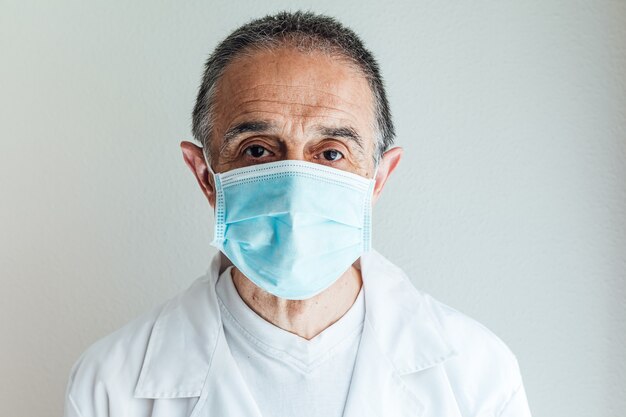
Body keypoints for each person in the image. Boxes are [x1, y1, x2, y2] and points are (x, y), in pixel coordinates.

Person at [64, 10, 532, 417]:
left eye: (331, 154)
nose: (294, 187)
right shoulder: (110, 385)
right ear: (205, 175)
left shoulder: (477, 376)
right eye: (258, 150)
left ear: (378, 179)